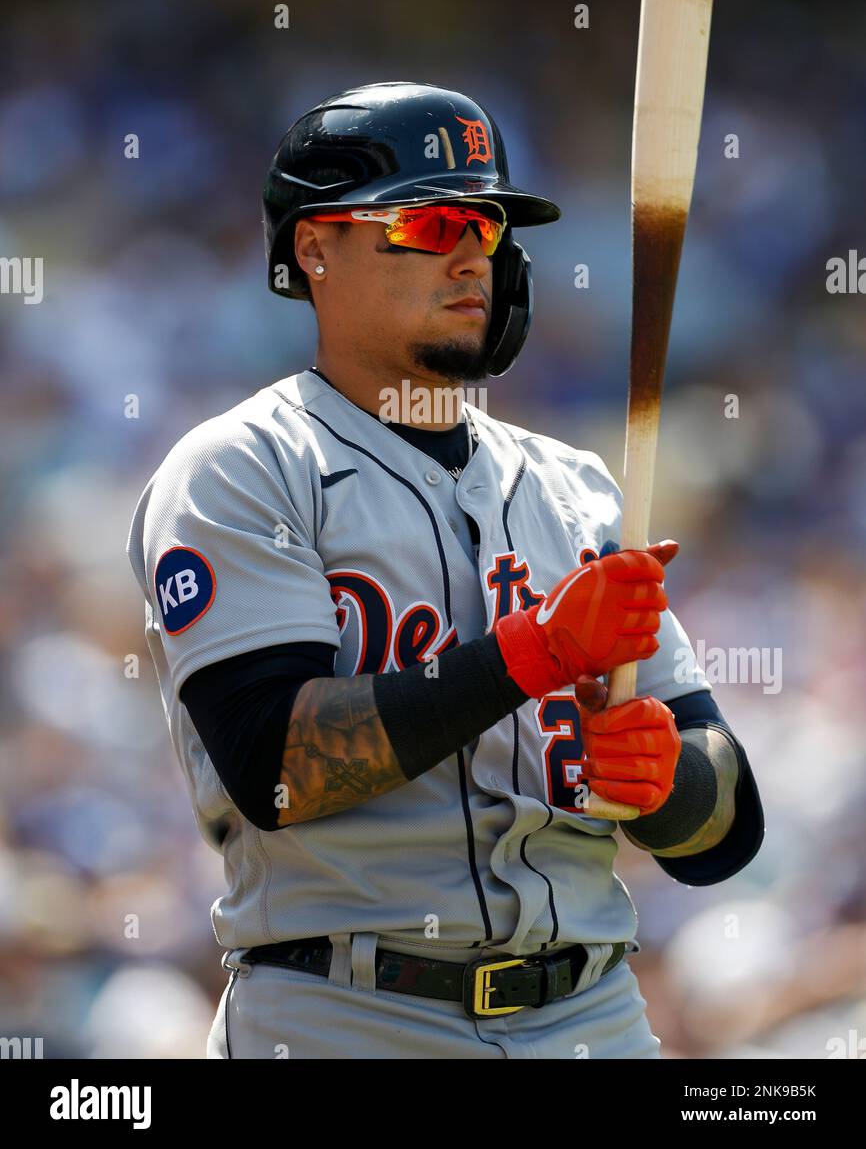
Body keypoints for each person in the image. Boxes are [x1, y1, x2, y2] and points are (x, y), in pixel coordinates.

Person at [126, 81, 763, 1059]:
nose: (474, 253)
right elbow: (276, 768)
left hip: (592, 1014)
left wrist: (670, 780)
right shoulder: (244, 468)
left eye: (490, 225)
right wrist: (530, 651)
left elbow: (725, 833)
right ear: (314, 247)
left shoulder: (579, 489)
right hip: (345, 1014)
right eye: (431, 222)